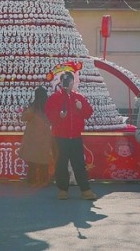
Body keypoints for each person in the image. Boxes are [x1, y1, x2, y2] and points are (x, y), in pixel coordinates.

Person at [45, 71, 97, 201]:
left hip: (75, 137)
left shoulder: (78, 97)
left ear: (73, 82)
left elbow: (88, 113)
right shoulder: (55, 97)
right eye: (65, 81)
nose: (67, 84)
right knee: (61, 164)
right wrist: (59, 116)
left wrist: (81, 107)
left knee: (79, 163)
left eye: (69, 81)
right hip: (59, 138)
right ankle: (63, 190)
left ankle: (85, 190)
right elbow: (49, 116)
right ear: (61, 82)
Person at [19, 86, 53, 187]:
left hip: (33, 139)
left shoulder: (33, 107)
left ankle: (32, 180)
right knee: (44, 160)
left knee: (32, 161)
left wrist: (24, 110)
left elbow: (24, 117)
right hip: (45, 137)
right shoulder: (48, 107)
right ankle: (44, 180)